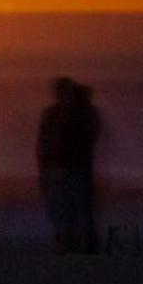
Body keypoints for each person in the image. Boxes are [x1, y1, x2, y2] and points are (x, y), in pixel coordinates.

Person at [36, 75, 101, 253]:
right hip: (68, 168)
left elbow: (45, 142)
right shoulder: (61, 114)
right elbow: (44, 142)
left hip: (71, 168)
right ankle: (73, 244)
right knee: (68, 209)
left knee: (72, 209)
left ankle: (77, 244)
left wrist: (44, 166)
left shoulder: (71, 115)